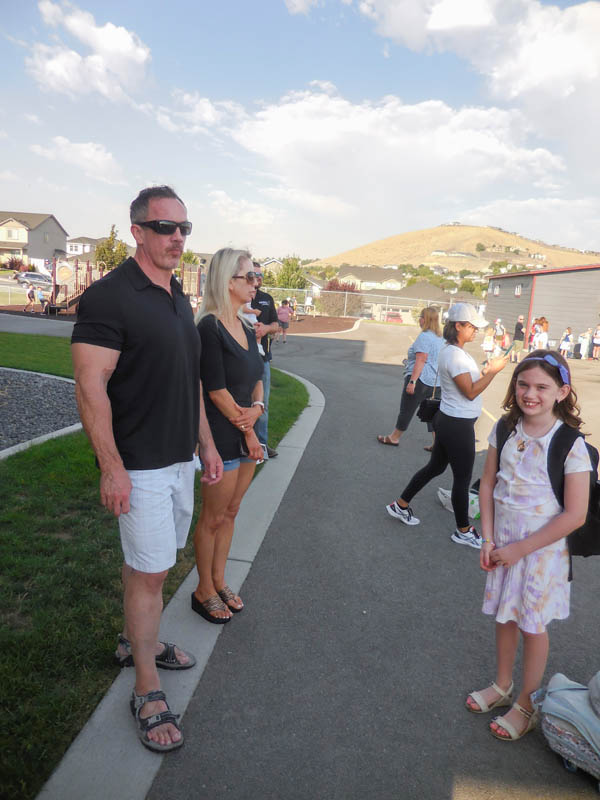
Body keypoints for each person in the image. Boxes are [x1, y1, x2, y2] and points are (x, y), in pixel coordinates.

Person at [71, 185, 223, 753]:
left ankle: (137, 639)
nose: (177, 238)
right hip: (140, 466)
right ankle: (146, 686)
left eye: (184, 228)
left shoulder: (176, 294)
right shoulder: (109, 297)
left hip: (179, 458)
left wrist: (205, 443)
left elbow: (190, 379)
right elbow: (90, 386)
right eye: (165, 227)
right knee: (153, 573)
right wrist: (111, 467)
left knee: (148, 568)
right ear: (137, 230)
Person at [466, 351, 591, 740]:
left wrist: (520, 550)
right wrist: (488, 538)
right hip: (502, 544)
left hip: (540, 555)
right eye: (523, 384)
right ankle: (503, 685)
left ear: (561, 392)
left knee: (532, 626)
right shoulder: (505, 428)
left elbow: (575, 515)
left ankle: (526, 703)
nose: (529, 394)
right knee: (505, 616)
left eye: (541, 387)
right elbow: (488, 483)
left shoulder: (570, 444)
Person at [385, 303, 508, 548]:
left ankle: (400, 505)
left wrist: (484, 371)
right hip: (457, 424)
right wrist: (492, 372)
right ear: (458, 326)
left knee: (435, 467)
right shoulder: (454, 354)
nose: (476, 331)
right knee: (462, 479)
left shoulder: (454, 351)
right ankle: (463, 531)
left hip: (450, 419)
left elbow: (466, 383)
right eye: (472, 326)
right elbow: (470, 392)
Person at [193, 249, 265, 623]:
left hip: (247, 428)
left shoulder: (246, 326)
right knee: (213, 516)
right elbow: (217, 391)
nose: (256, 283)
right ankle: (203, 589)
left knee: (232, 512)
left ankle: (219, 581)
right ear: (227, 281)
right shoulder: (209, 327)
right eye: (249, 277)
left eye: (256, 277)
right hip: (222, 436)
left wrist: (259, 407)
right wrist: (250, 433)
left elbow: (257, 377)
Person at [377, 306, 443, 451]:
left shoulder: (424, 336)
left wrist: (412, 381)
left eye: (420, 317)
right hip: (436, 382)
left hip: (421, 380)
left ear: (424, 320)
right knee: (432, 413)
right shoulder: (441, 338)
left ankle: (394, 437)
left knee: (407, 409)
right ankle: (437, 444)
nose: (419, 320)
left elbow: (421, 359)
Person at [250, 262, 280, 458]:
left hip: (263, 359)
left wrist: (266, 329)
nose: (259, 278)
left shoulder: (267, 299)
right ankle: (243, 443)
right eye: (255, 274)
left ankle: (261, 444)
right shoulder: (241, 297)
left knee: (262, 403)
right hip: (241, 359)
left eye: (261, 275)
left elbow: (276, 325)